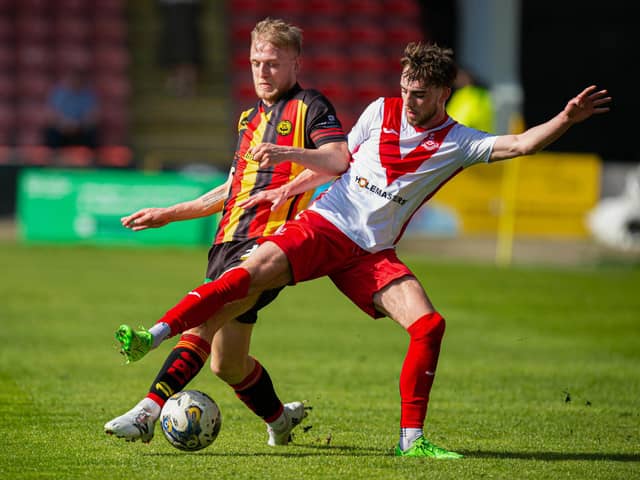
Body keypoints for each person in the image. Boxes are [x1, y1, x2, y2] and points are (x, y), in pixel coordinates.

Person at [114, 42, 611, 457]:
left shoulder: (459, 142)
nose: (409, 100)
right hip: (327, 225)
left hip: (370, 253)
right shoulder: (380, 111)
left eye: (419, 94)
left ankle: (411, 442)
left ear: (442, 92)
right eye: (404, 90)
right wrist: (290, 189)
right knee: (250, 271)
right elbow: (340, 163)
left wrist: (566, 118)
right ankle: (155, 333)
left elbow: (522, 144)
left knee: (428, 325)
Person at [104, 17, 349, 446]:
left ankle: (147, 412)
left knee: (201, 323)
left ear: (295, 62)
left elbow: (336, 159)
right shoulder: (248, 118)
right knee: (227, 365)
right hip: (226, 242)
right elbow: (231, 189)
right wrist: (171, 213)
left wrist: (286, 151)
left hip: (270, 243)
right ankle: (280, 422)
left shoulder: (310, 105)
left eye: (272, 63)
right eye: (256, 62)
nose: (262, 72)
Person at [43, 67, 100, 149]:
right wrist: (65, 124)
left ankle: (90, 158)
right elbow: (51, 114)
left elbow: (93, 115)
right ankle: (53, 158)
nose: (75, 81)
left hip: (81, 128)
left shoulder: (88, 95)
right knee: (51, 132)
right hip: (62, 128)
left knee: (92, 132)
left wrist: (79, 125)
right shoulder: (59, 93)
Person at [446, 67, 494, 132]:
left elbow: (461, 121)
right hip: (484, 137)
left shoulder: (467, 95)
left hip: (467, 138)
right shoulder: (483, 94)